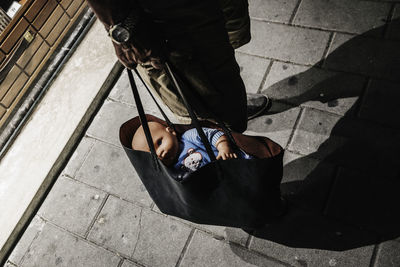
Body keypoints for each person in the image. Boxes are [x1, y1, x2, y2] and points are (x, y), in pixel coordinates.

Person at [86, 0, 270, 133]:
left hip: (199, 10)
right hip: (164, 15)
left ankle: (228, 112)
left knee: (223, 53)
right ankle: (224, 146)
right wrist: (126, 29)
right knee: (201, 95)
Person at [131, 121, 252, 172]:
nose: (159, 152)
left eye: (159, 143)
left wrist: (223, 147)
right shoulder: (171, 169)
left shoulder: (189, 137)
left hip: (234, 164)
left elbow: (213, 134)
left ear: (171, 131)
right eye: (153, 155)